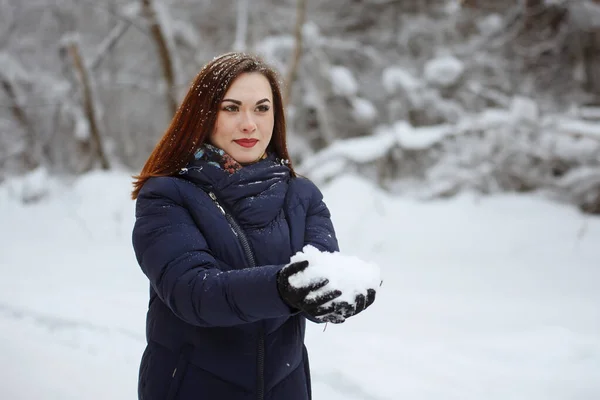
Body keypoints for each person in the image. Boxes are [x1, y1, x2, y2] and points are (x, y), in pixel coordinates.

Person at [130, 52, 379, 400]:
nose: (249, 123)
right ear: (202, 116)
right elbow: (193, 291)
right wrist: (282, 288)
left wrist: (336, 296)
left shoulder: (302, 196)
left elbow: (318, 275)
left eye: (262, 108)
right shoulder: (168, 196)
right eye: (231, 108)